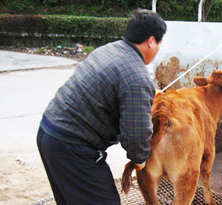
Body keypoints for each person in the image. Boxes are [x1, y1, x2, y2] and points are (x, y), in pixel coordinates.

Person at [37, 9, 166, 204]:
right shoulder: (136, 76)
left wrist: (148, 93)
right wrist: (140, 160)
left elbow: (113, 85)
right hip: (72, 147)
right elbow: (136, 136)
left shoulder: (110, 49)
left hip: (49, 133)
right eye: (159, 43)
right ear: (150, 41)